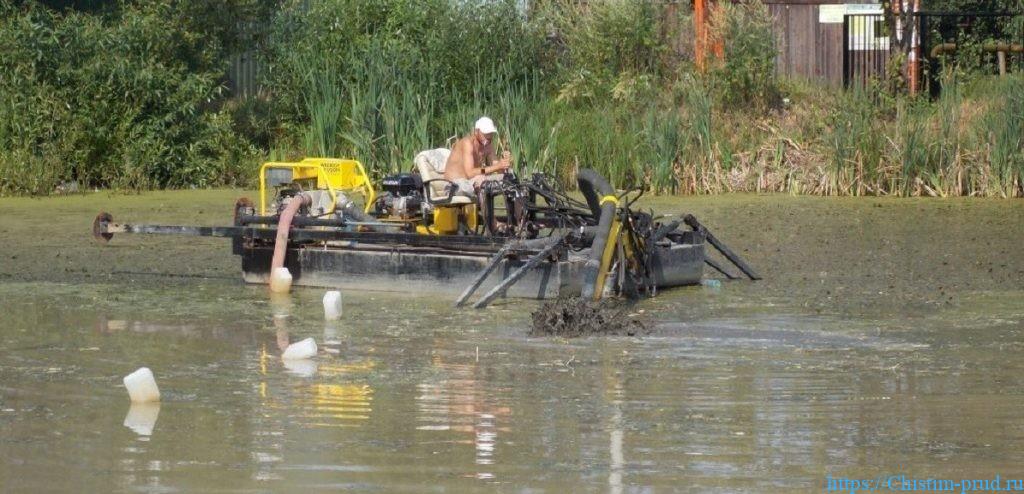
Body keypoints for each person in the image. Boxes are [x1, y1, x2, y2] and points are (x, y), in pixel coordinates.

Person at [443, 116, 512, 197]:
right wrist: (497, 167)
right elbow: (470, 173)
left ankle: (516, 207)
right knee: (481, 180)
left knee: (509, 177)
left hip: (471, 182)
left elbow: (498, 168)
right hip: (454, 186)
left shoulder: (488, 145)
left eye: (490, 133)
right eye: (485, 133)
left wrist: (504, 163)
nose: (489, 136)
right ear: (476, 131)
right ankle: (484, 209)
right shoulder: (467, 143)